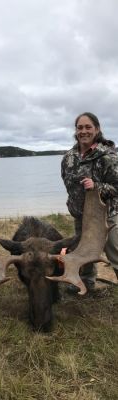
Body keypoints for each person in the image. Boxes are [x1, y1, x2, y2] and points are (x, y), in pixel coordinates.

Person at [61, 111, 118, 292]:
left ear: (97, 129)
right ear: (76, 131)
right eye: (80, 127)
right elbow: (67, 183)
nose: (83, 131)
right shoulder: (69, 157)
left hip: (107, 216)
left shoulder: (108, 155)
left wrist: (97, 186)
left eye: (88, 127)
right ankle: (86, 284)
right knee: (83, 252)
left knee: (115, 253)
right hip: (81, 217)